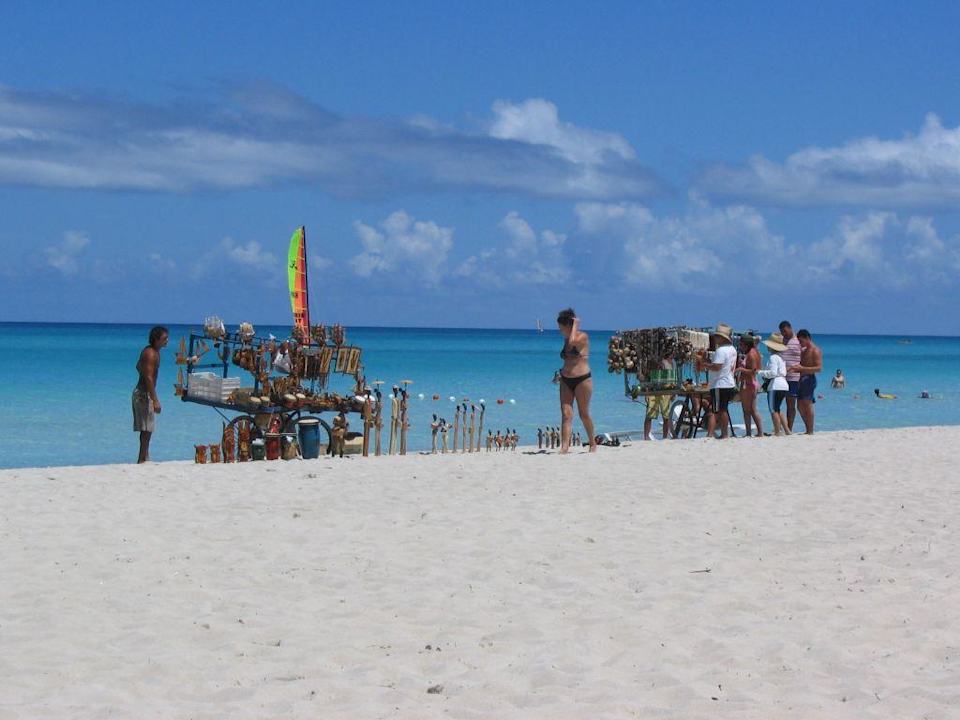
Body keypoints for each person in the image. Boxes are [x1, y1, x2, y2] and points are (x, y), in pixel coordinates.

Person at [557, 308, 597, 452]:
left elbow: (573, 341)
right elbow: (567, 358)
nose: (561, 331)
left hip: (582, 380)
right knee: (566, 414)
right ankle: (565, 446)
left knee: (583, 413)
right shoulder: (567, 339)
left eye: (562, 328)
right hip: (565, 379)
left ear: (570, 325)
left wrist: (576, 324)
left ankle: (592, 443)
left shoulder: (582, 337)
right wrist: (559, 373)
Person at [134, 326, 169, 463]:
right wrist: (155, 400)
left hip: (144, 392)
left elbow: (138, 366)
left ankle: (144, 457)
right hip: (143, 394)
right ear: (156, 339)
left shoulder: (153, 351)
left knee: (148, 429)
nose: (167, 341)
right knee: (146, 430)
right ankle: (142, 459)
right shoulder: (151, 354)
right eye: (164, 338)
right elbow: (148, 377)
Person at [696, 323, 737, 439]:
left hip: (720, 384)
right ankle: (723, 433)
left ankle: (715, 434)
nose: (715, 339)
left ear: (721, 338)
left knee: (717, 410)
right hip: (728, 382)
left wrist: (704, 364)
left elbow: (717, 367)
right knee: (722, 409)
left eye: (716, 337)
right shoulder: (732, 349)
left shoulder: (721, 350)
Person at [788, 329, 822, 434]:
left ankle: (810, 431)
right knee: (799, 406)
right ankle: (808, 428)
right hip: (801, 379)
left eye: (801, 341)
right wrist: (796, 368)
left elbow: (818, 368)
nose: (800, 343)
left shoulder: (815, 350)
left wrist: (802, 368)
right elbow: (802, 365)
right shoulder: (804, 350)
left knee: (807, 404)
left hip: (809, 379)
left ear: (807, 338)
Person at [757, 332, 790, 436]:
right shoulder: (781, 357)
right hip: (784, 385)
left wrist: (759, 372)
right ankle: (787, 430)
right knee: (778, 408)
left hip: (775, 385)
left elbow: (772, 373)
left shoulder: (773, 357)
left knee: (773, 409)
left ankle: (777, 431)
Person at [734, 334, 764, 438]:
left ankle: (754, 432)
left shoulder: (751, 354)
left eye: (741, 344)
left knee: (748, 410)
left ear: (746, 344)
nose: (740, 346)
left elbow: (753, 371)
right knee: (751, 410)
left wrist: (741, 369)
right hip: (751, 383)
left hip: (748, 384)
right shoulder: (755, 352)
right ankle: (756, 432)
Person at [643, 350, 675, 440]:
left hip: (666, 391)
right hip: (654, 391)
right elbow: (648, 377)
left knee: (666, 416)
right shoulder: (656, 362)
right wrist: (647, 391)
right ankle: (646, 436)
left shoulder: (671, 364)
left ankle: (664, 437)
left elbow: (672, 378)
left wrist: (673, 392)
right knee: (650, 414)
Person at [779, 321, 802, 432]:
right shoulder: (781, 340)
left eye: (784, 331)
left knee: (791, 405)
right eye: (781, 332)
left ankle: (789, 428)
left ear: (790, 328)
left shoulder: (798, 341)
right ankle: (778, 428)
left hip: (794, 377)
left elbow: (804, 358)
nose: (784, 334)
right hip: (781, 377)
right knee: (776, 403)